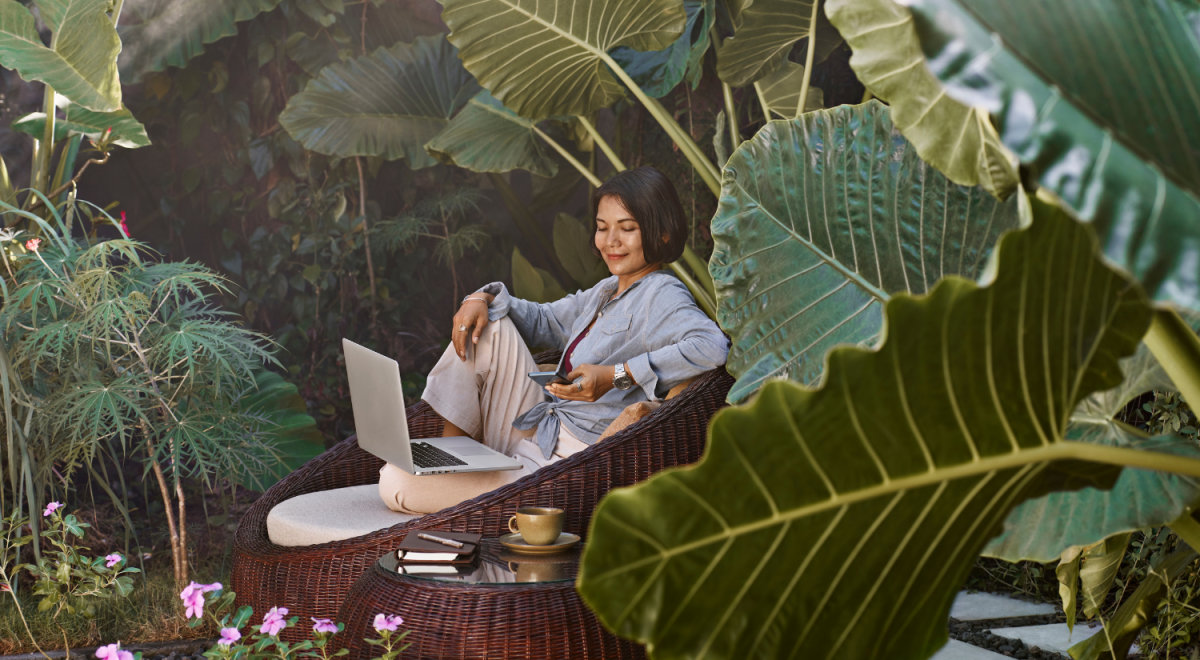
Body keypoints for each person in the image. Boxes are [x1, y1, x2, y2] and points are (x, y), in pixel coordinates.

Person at [378, 167, 729, 514]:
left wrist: (615, 376)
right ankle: (453, 450)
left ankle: (455, 466)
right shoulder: (606, 291)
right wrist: (479, 298)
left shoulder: (661, 294)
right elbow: (542, 320)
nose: (610, 241)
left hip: (561, 466)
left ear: (663, 234)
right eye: (603, 228)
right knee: (488, 326)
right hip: (537, 429)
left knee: (395, 481)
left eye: (627, 229)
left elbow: (713, 345)